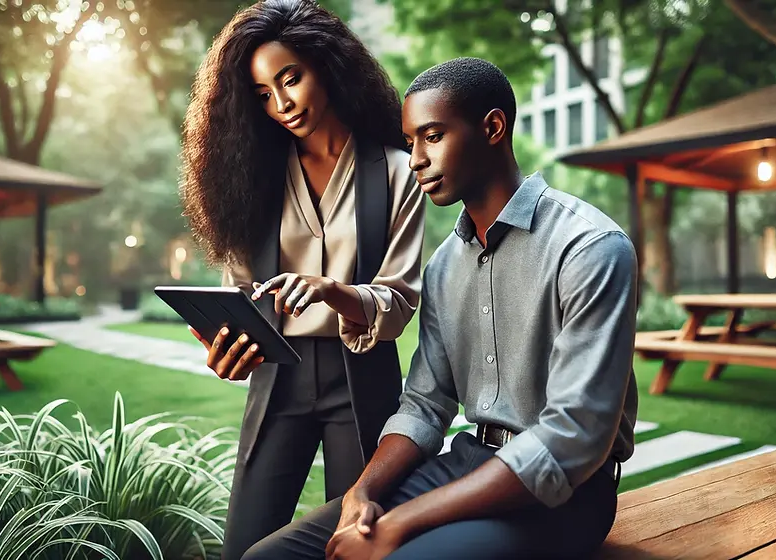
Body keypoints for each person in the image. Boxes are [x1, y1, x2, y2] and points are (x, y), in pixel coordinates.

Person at [242, 57, 640, 560]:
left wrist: (401, 524)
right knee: (268, 557)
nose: (414, 160)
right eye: (410, 142)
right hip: (467, 463)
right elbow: (424, 407)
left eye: (432, 136)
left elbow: (572, 437)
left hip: (566, 496)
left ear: (493, 128)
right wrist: (361, 495)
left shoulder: (591, 248)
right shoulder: (444, 267)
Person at [179, 1, 425, 558]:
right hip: (277, 376)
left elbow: (401, 298)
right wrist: (226, 345)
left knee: (352, 543)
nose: (282, 103)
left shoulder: (396, 170)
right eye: (264, 93)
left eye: (291, 79)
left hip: (361, 378)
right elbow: (239, 291)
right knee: (245, 545)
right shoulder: (251, 178)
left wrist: (333, 291)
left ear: (328, 67)